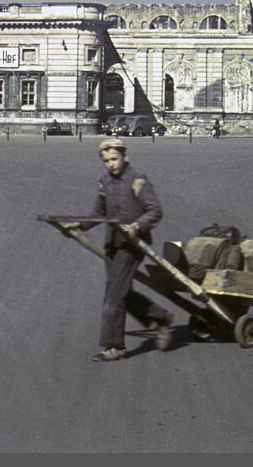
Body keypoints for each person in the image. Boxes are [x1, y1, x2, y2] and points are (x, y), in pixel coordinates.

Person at [64, 138, 173, 362]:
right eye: (106, 161)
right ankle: (160, 317)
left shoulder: (138, 181)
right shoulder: (104, 182)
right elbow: (99, 212)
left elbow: (154, 211)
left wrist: (136, 226)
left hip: (133, 246)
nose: (111, 164)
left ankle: (114, 346)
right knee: (122, 292)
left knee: (114, 294)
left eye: (114, 159)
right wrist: (80, 225)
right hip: (113, 245)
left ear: (125, 157)